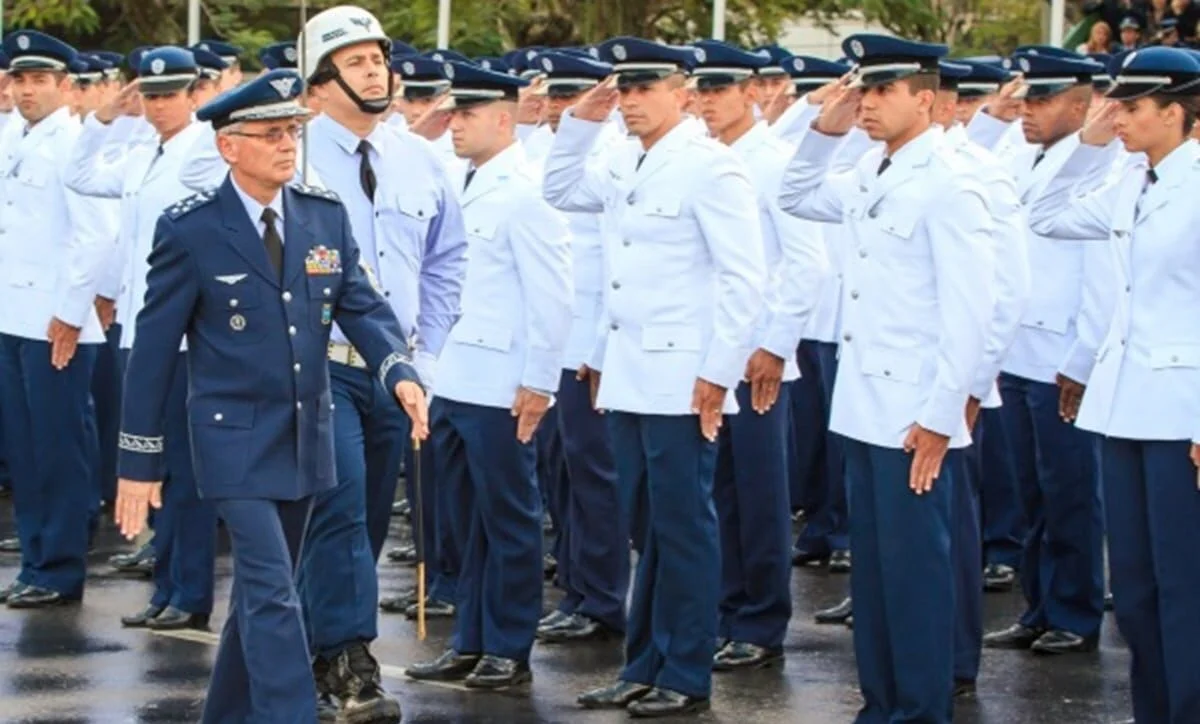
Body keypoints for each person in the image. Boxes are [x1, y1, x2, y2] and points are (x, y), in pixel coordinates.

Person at [112, 68, 429, 724]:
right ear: (230, 146)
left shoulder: (321, 216)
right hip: (232, 440)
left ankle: (226, 714)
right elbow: (152, 349)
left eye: (293, 132)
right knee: (273, 591)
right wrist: (138, 460)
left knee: (266, 590)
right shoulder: (192, 229)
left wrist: (398, 370)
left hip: (306, 433)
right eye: (271, 134)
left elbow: (360, 305)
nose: (288, 145)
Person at [544, 36, 766, 717]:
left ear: (682, 92)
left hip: (682, 377)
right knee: (647, 526)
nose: (632, 101)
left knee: (683, 528)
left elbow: (744, 278)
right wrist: (583, 117)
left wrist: (717, 372)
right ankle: (643, 661)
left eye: (645, 88)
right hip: (630, 371)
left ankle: (687, 672)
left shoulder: (710, 168)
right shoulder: (620, 158)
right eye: (625, 89)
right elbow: (558, 189)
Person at [779, 35, 994, 723]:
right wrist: (826, 126)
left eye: (881, 91)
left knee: (915, 579)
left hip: (913, 413)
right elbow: (795, 193)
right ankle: (882, 706)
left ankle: (920, 710)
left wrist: (942, 415)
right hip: (863, 405)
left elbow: (971, 311)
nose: (866, 103)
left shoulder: (952, 181)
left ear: (924, 98)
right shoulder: (871, 171)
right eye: (862, 89)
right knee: (874, 579)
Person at [293, 7, 466, 720]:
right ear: (319, 84)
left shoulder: (418, 157)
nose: (376, 72)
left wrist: (419, 350)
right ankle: (348, 659)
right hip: (316, 365)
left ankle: (309, 641)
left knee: (362, 519)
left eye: (379, 59)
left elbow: (448, 256)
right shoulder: (293, 153)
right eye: (356, 62)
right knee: (337, 507)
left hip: (393, 370)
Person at [1026, 45, 1200, 724]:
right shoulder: (1132, 179)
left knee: (1186, 585)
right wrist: (1092, 143)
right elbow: (1042, 213)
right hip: (1125, 407)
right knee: (1136, 589)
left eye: (1130, 107)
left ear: (1177, 113)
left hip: (1182, 416)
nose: (1116, 117)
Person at [405, 58, 572, 690]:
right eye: (453, 113)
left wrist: (538, 382)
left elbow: (553, 297)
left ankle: (508, 644)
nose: (455, 124)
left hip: (502, 384)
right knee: (461, 522)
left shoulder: (529, 192)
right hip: (452, 376)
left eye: (467, 114)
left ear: (505, 119)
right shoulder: (459, 181)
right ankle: (469, 638)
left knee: (508, 519)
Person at [66, 46, 218, 632]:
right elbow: (80, 177)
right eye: (149, 96)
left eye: (168, 95)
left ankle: (191, 590)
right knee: (149, 459)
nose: (157, 106)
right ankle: (167, 586)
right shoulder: (138, 152)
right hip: (139, 324)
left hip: (183, 336)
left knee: (184, 467)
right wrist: (106, 118)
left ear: (192, 95)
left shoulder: (205, 153)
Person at [968, 50, 1111, 657]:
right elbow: (969, 155)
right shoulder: (1018, 154)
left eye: (1043, 100)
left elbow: (1102, 277)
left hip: (1062, 356)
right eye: (1025, 99)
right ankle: (1038, 606)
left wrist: (1081, 359)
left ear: (1081, 106)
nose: (1026, 112)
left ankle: (1075, 612)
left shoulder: (1102, 167)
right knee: (1030, 494)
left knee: (1070, 492)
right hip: (1020, 352)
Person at [692, 39, 828, 671]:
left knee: (758, 493)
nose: (708, 102)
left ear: (752, 92)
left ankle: (761, 619)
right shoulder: (701, 159)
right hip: (712, 355)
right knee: (717, 492)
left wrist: (775, 345)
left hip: (757, 362)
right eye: (702, 91)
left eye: (720, 90)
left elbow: (806, 263)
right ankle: (726, 608)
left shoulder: (774, 162)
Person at [524, 49, 633, 646]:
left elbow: (612, 265)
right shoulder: (550, 152)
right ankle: (575, 584)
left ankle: (602, 596)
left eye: (572, 99)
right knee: (562, 473)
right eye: (554, 99)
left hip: (593, 344)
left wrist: (596, 345)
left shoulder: (613, 155)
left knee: (595, 475)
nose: (557, 110)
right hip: (556, 342)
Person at [0, 30, 112, 608]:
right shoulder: (10, 137)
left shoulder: (76, 145)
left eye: (40, 80)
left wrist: (69, 314)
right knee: (24, 447)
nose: (27, 90)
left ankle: (61, 567)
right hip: (11, 317)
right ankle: (36, 557)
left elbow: (95, 237)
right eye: (19, 79)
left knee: (60, 447)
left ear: (66, 87)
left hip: (54, 321)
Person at [934, 59, 1032, 697]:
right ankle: (930, 654)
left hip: (954, 382)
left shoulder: (974, 171)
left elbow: (1005, 289)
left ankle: (953, 659)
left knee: (952, 532)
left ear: (941, 104)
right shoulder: (884, 167)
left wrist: (974, 382)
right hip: (911, 381)